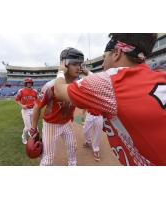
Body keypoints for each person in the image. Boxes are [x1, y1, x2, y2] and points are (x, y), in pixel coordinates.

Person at [54, 33, 166, 166]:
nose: (102, 62)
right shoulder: (160, 74)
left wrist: (61, 70)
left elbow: (59, 90)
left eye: (104, 57)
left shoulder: (111, 82)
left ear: (117, 52)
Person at [30, 47, 85, 166]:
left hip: (66, 123)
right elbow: (37, 107)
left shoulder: (78, 84)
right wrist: (34, 129)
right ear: (64, 65)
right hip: (51, 124)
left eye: (79, 64)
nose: (78, 67)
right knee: (48, 158)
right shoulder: (50, 86)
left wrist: (73, 117)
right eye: (74, 64)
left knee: (72, 147)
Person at [15, 78, 37, 144]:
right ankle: (23, 137)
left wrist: (36, 106)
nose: (29, 84)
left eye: (30, 83)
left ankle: (33, 139)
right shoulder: (21, 91)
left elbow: (37, 100)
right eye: (28, 83)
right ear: (25, 83)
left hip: (33, 110)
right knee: (28, 127)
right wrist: (21, 105)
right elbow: (17, 99)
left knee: (34, 126)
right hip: (25, 110)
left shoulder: (35, 91)